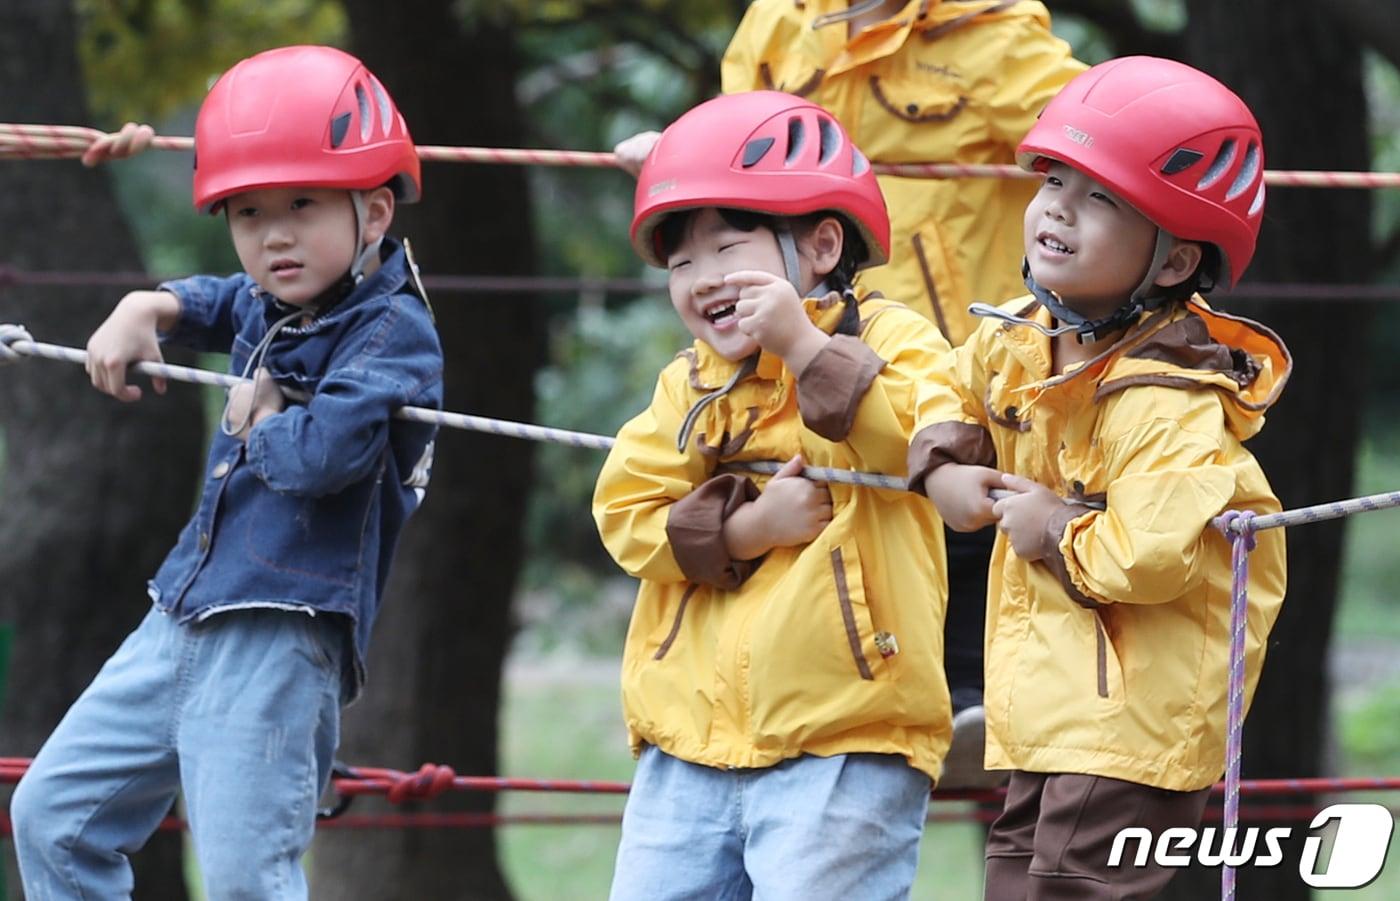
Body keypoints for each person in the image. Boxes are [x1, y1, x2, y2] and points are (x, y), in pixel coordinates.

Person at [614, 0, 1085, 788]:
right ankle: (783, 705)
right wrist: (679, 165)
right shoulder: (776, 22)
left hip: (940, 345)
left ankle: (971, 694)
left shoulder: (992, 36)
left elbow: (1087, 140)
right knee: (815, 514)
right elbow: (736, 126)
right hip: (782, 345)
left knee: (956, 507)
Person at [10, 45, 443, 900]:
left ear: (376, 211)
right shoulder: (277, 295)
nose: (274, 234)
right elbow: (218, 299)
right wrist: (150, 305)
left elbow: (324, 459)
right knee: (51, 815)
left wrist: (259, 419)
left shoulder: (392, 333)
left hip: (281, 635)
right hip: (179, 612)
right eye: (248, 213)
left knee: (247, 876)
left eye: (303, 204)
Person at [906, 56, 1290, 899]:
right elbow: (942, 379)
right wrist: (941, 459)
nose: (1058, 209)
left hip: (1128, 724)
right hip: (1043, 712)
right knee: (1013, 880)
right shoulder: (1021, 340)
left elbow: (1152, 555)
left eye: (1103, 199)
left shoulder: (1170, 400)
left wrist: (1051, 526)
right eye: (1056, 179)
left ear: (1175, 261)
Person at [593, 90, 954, 899]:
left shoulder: (894, 338)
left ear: (822, 243)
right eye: (682, 263)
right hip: (686, 740)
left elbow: (921, 444)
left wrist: (805, 348)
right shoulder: (687, 381)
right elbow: (625, 514)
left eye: (728, 248)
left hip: (848, 741)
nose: (704, 279)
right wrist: (747, 528)